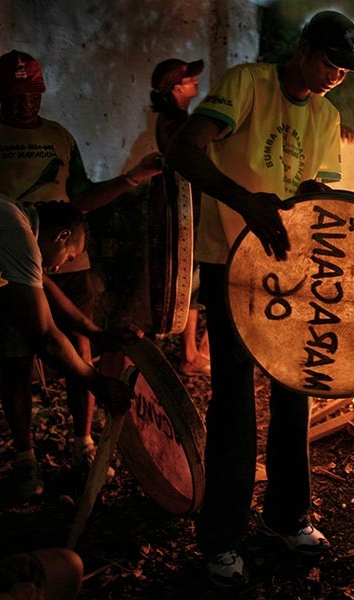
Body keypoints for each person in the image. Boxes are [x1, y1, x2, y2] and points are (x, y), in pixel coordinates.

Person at [166, 10, 354, 586]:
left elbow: (313, 191)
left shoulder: (327, 114)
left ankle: (285, 517)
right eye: (328, 60)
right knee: (234, 399)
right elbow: (185, 149)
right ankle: (221, 537)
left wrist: (310, 203)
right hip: (229, 260)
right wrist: (246, 201)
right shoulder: (247, 84)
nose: (333, 75)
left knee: (294, 388)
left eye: (344, 68)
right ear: (302, 48)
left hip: (289, 268)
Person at [0, 50, 161, 498]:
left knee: (79, 346)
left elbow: (79, 203)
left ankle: (82, 443)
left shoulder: (59, 137)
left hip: (40, 255)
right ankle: (24, 457)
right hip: (9, 251)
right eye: (14, 96)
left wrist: (131, 179)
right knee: (18, 356)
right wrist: (101, 383)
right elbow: (45, 333)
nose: (24, 104)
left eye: (32, 95)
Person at [150, 57, 211, 377]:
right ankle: (192, 353)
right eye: (190, 81)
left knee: (195, 284)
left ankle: (193, 353)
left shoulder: (177, 119)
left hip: (191, 210)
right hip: (190, 211)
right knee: (196, 283)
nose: (196, 84)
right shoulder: (177, 123)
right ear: (176, 87)